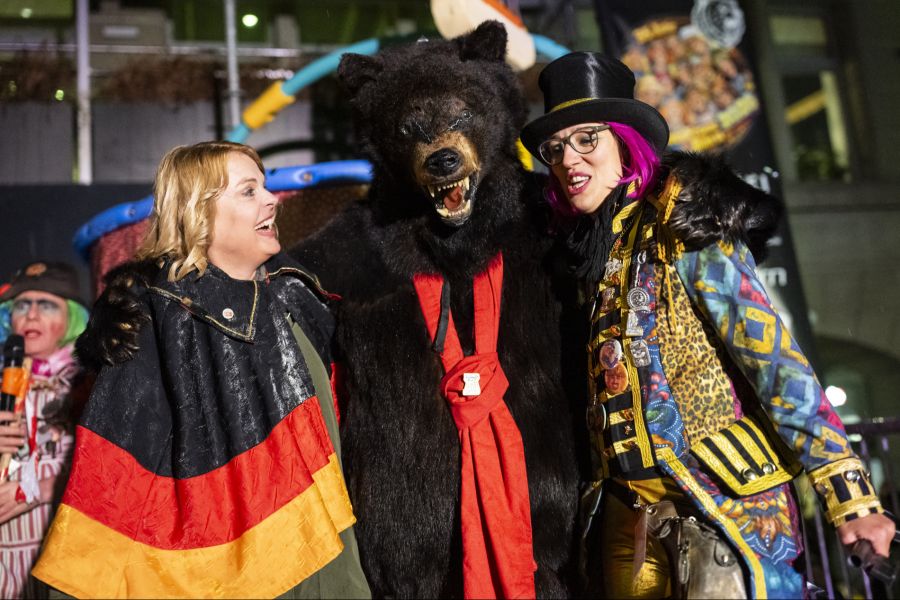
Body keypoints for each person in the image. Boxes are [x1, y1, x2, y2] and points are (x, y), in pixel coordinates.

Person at [520, 52, 895, 599]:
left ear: (625, 142)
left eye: (587, 139)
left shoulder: (686, 225)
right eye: (555, 149)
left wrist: (851, 498)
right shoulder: (586, 257)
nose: (568, 158)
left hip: (720, 502)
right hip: (623, 517)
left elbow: (775, 363)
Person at [32, 141, 371, 599]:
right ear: (199, 213)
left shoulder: (298, 293)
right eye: (248, 191)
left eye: (265, 187)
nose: (271, 200)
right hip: (252, 569)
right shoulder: (159, 318)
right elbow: (114, 475)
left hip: (335, 548)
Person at [0, 261, 88, 599]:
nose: (32, 315)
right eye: (22, 305)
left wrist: (39, 488)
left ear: (72, 319)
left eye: (46, 304)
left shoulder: (90, 386)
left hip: (65, 559)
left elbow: (112, 472)